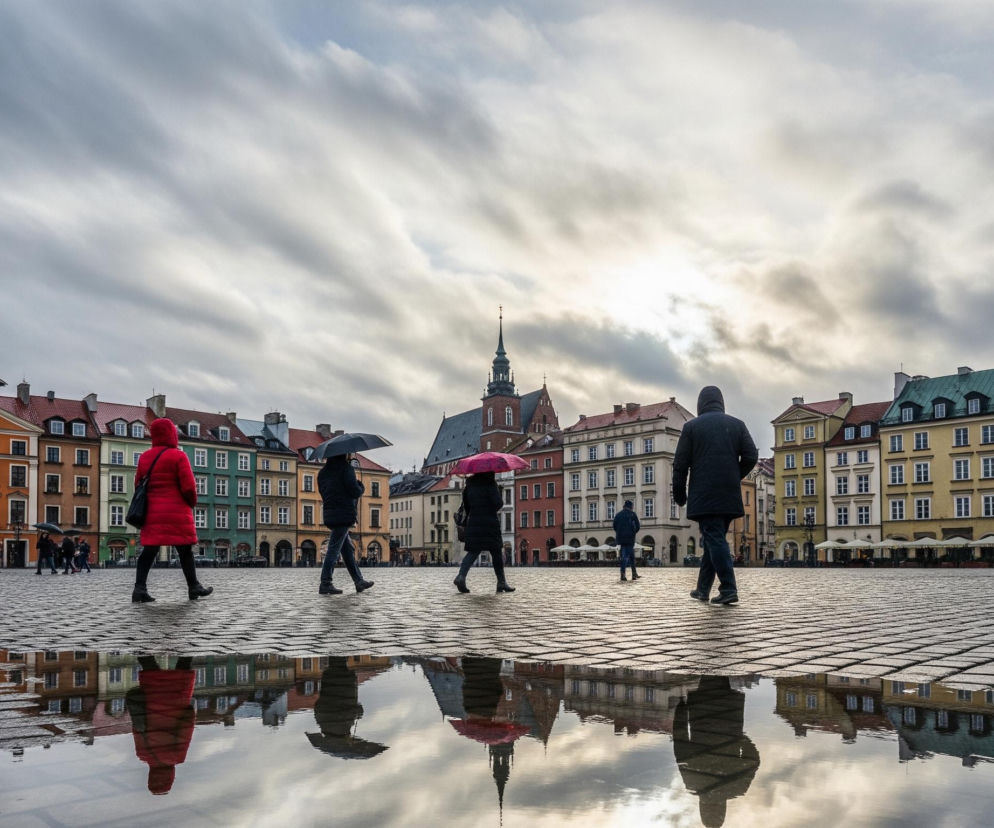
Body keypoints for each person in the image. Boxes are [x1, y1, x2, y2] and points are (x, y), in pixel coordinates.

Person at [672, 386, 758, 605]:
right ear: (721, 402)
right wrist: (733, 474)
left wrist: (679, 494)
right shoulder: (737, 424)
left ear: (701, 404)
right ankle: (702, 589)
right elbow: (751, 455)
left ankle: (729, 588)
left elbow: (680, 465)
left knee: (714, 538)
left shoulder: (691, 427)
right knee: (713, 538)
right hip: (729, 494)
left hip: (705, 494)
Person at [131, 418, 212, 603]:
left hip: (152, 513)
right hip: (176, 513)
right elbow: (189, 487)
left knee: (148, 552)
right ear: (172, 434)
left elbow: (138, 484)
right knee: (185, 552)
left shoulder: (144, 457)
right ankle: (194, 587)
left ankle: (139, 589)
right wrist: (191, 503)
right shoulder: (178, 456)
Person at [672, 676, 760, 827]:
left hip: (730, 716)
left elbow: (753, 761)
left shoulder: (737, 787)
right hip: (701, 713)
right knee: (709, 674)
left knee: (721, 675)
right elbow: (680, 744)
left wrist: (741, 740)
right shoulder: (693, 783)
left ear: (723, 809)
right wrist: (682, 709)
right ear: (702, 808)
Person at [125, 655, 196, 795]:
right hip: (152, 699)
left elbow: (186, 727)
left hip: (177, 701)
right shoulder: (143, 754)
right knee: (149, 665)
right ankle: (140, 641)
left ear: (170, 777)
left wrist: (190, 711)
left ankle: (188, 640)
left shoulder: (177, 756)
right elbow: (137, 728)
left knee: (184, 664)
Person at [317, 453, 374, 595]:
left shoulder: (322, 473)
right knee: (333, 549)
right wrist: (360, 486)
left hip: (330, 514)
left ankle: (359, 581)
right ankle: (325, 583)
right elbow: (354, 491)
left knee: (347, 550)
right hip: (343, 514)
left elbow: (323, 493)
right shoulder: (346, 469)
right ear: (344, 454)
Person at [453, 472, 514, 593]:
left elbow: (467, 506)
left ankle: (461, 576)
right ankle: (501, 582)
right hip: (490, 523)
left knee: (472, 552)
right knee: (496, 552)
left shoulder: (469, 485)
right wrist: (499, 492)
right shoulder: (490, 483)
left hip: (474, 523)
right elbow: (498, 504)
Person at [613, 499, 641, 581]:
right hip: (630, 538)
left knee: (630, 556)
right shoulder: (632, 514)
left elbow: (614, 526)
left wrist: (619, 532)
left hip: (620, 538)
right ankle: (623, 574)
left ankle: (634, 573)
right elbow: (638, 526)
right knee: (625, 557)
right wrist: (633, 532)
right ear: (631, 507)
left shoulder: (618, 515)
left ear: (624, 506)